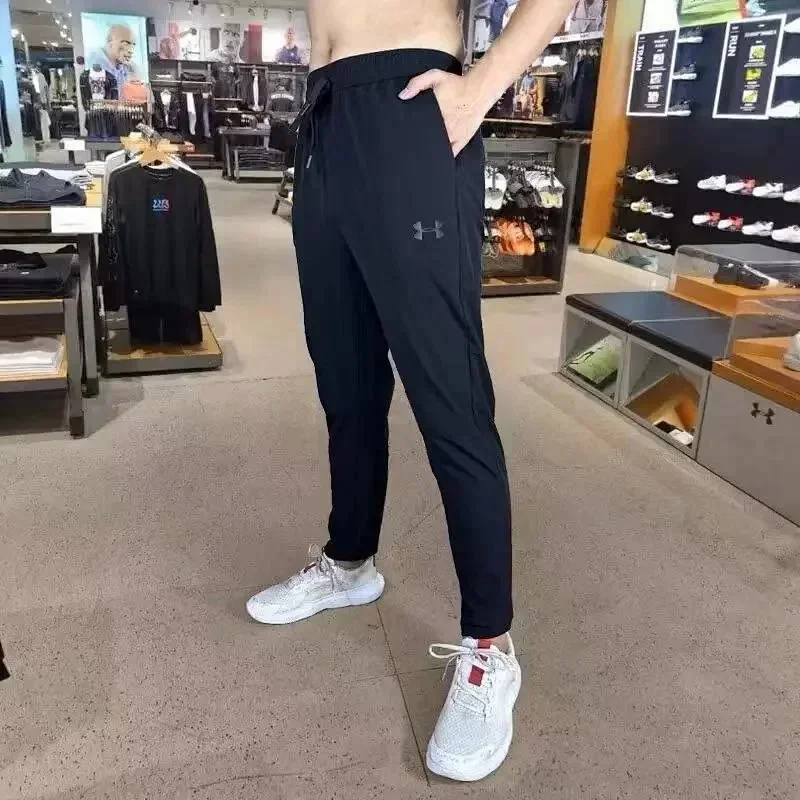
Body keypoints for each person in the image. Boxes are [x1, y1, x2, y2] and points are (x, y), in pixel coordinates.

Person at [247, 0, 575, 783]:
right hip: (324, 120)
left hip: (409, 111)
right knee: (346, 379)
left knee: (448, 397)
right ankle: (350, 561)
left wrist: (484, 84)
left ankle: (490, 645)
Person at [86, 23, 140, 87]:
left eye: (133, 45)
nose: (131, 50)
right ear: (110, 43)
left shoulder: (127, 66)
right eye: (125, 44)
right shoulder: (96, 64)